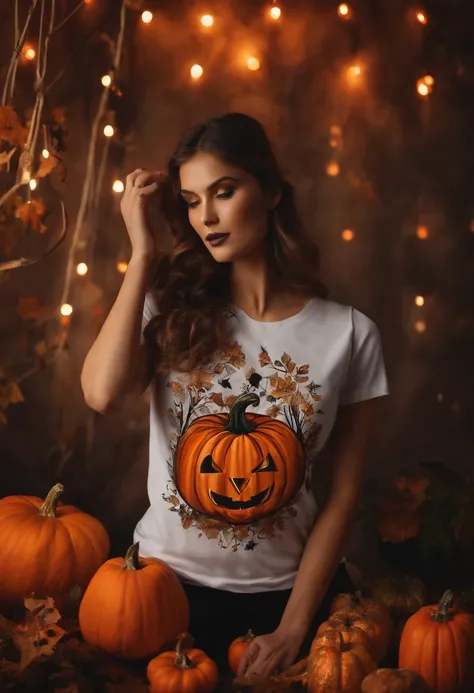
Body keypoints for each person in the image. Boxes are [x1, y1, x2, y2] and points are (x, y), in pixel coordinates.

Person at [81, 112, 389, 678]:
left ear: (270, 191)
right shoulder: (170, 305)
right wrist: (143, 255)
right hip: (162, 593)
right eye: (192, 201)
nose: (208, 217)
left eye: (224, 192)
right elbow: (101, 393)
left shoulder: (350, 333)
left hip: (288, 600)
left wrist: (295, 626)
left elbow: (343, 497)